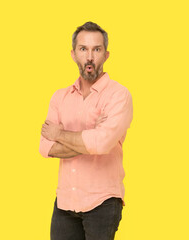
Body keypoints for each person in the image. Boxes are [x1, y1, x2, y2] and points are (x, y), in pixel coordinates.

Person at [39, 21, 133, 240]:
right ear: (73, 54)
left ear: (106, 55)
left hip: (102, 203)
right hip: (64, 204)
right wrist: (91, 136)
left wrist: (59, 135)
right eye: (83, 49)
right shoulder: (59, 97)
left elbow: (102, 143)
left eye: (96, 49)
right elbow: (45, 147)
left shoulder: (119, 95)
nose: (89, 56)